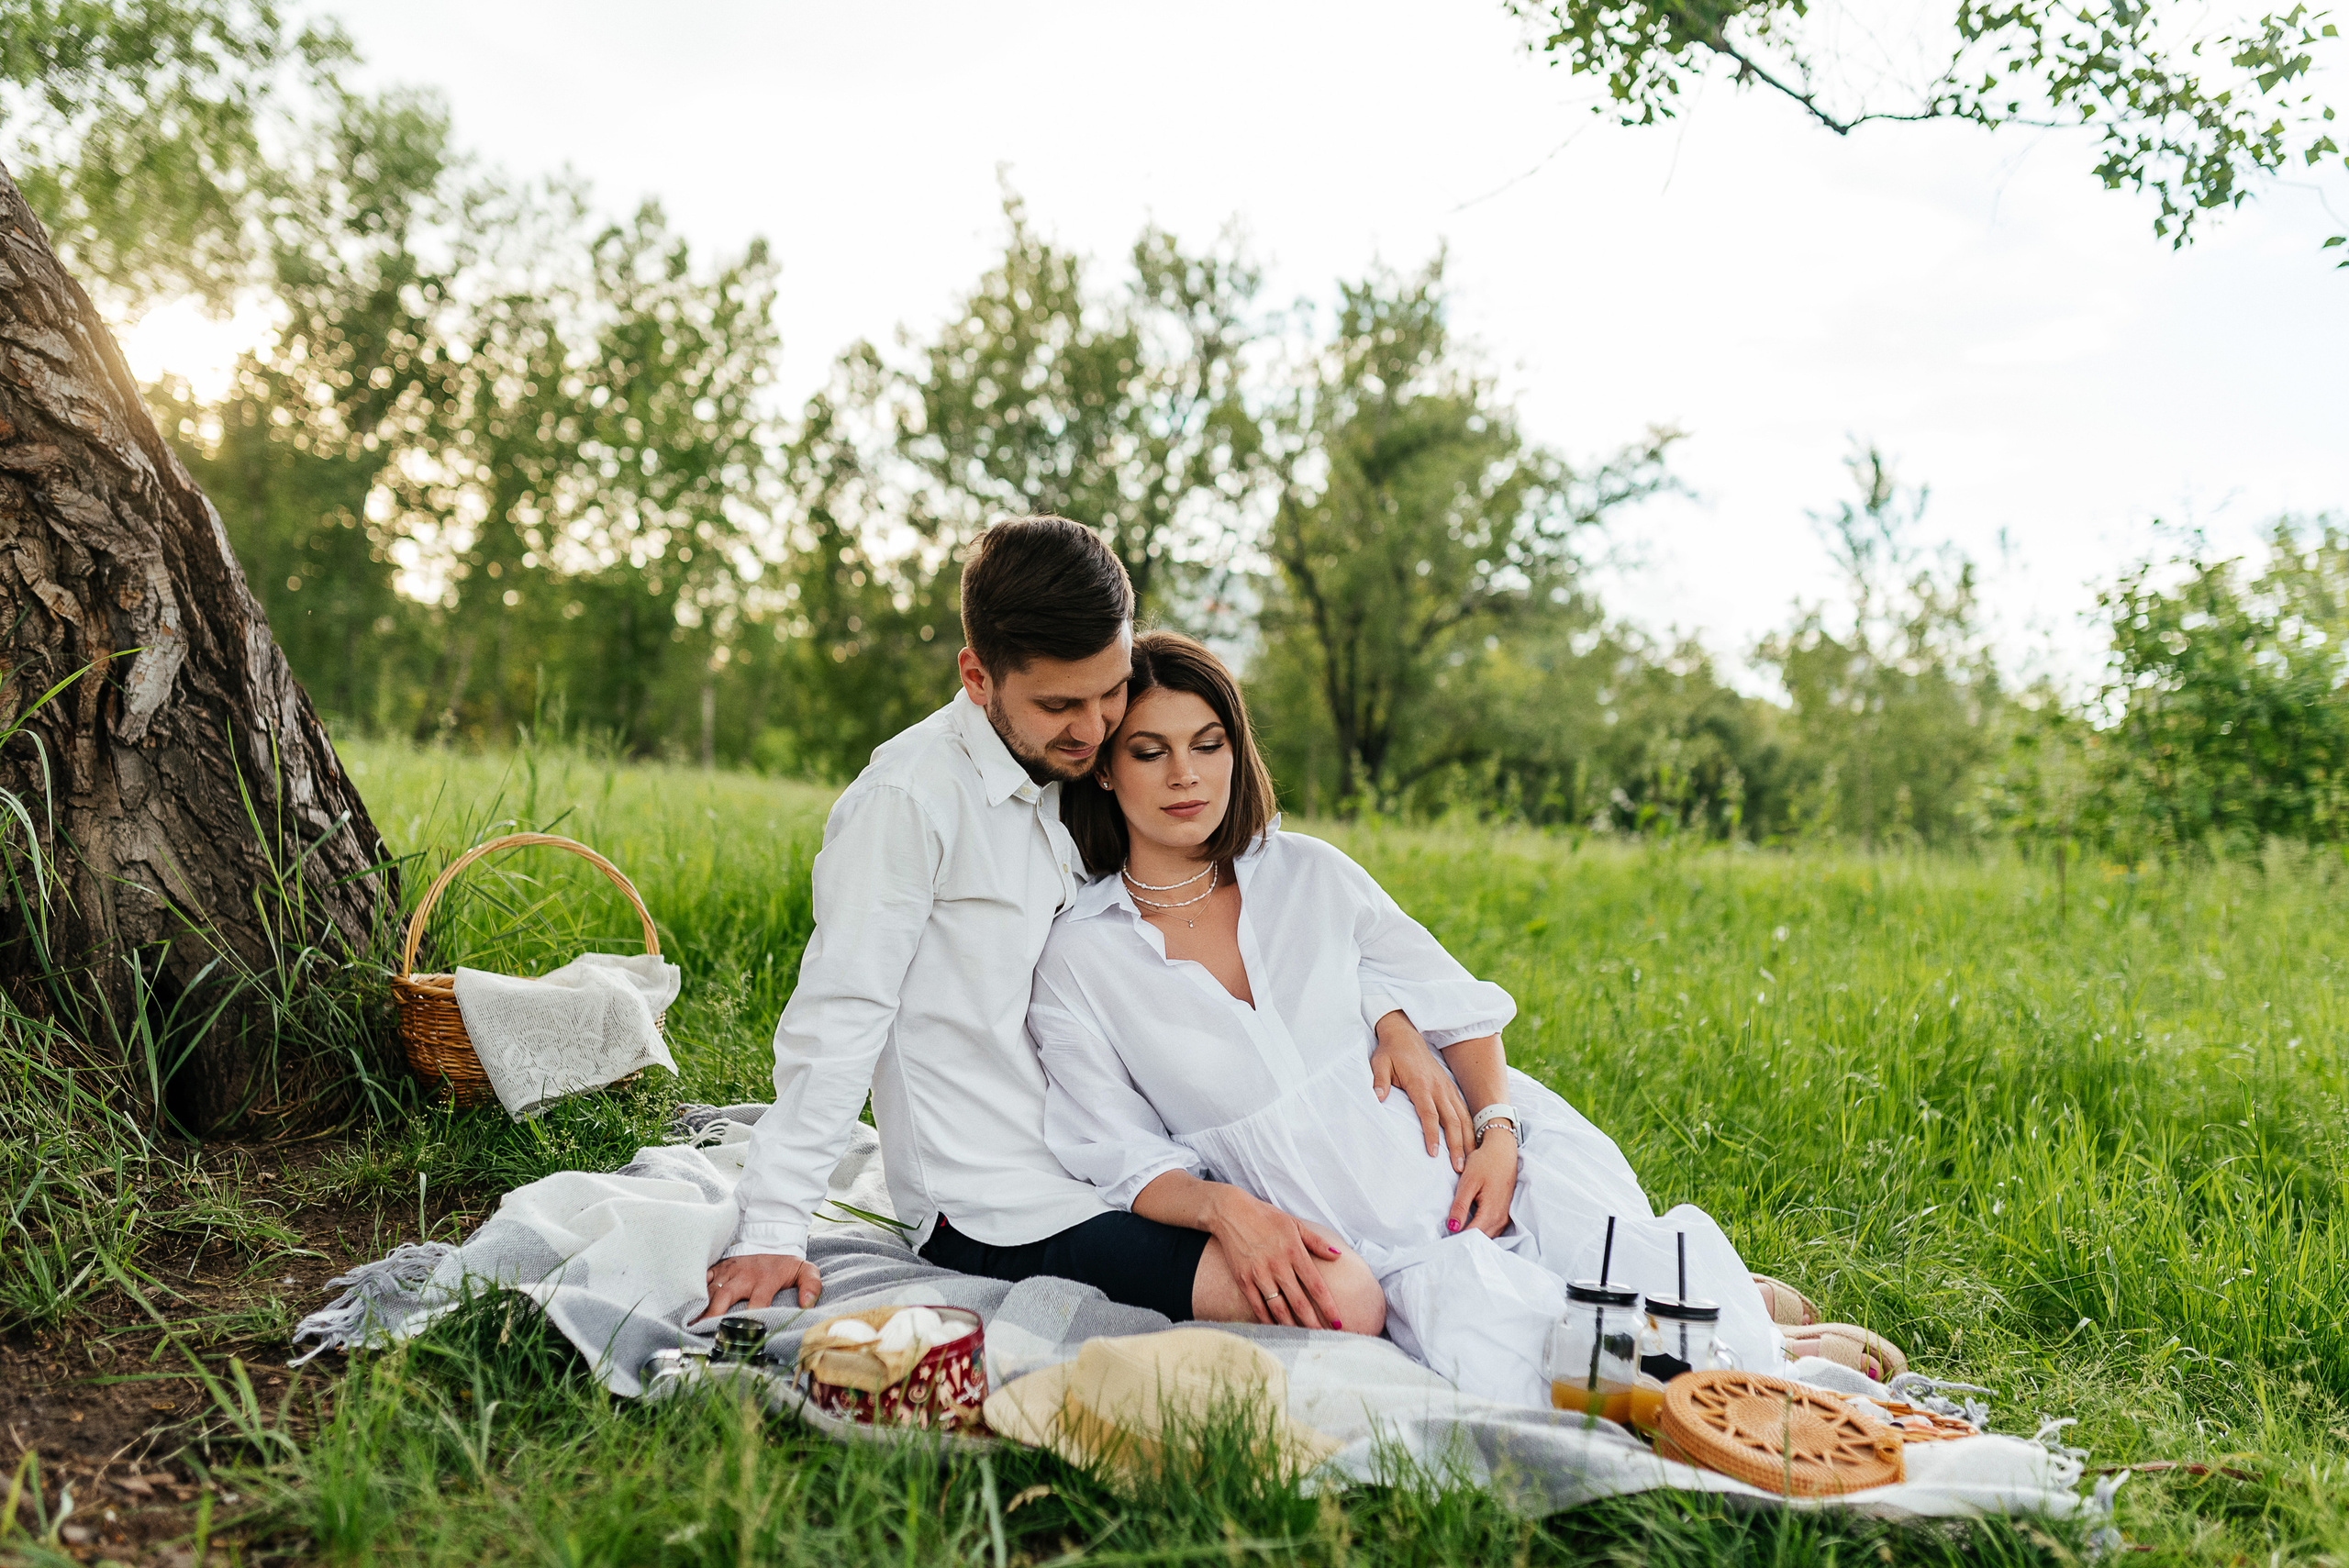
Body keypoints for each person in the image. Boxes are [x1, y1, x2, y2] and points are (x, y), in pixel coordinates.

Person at [700, 517, 1471, 1329]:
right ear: (977, 676)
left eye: (1111, 692)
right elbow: (839, 1017)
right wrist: (772, 1230)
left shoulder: (1083, 767)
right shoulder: (909, 803)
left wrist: (1389, 1013)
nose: (1096, 726)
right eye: (1059, 704)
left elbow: (1276, 900)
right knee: (1340, 1294)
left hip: (1156, 1152)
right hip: (1011, 1202)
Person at [1027, 630, 1785, 1404]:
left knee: (1678, 1308)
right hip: (1384, 1245)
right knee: (1564, 1374)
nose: (1185, 774)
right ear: (1107, 769)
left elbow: (1455, 1004)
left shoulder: (1309, 871)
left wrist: (1499, 1133)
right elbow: (1119, 1151)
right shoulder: (1080, 957)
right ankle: (1756, 1332)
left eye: (1208, 743)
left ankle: (1770, 1329)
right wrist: (1225, 1211)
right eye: (1150, 751)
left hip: (1488, 1162)